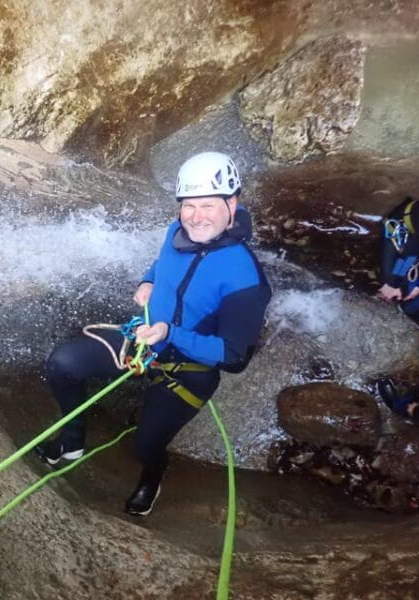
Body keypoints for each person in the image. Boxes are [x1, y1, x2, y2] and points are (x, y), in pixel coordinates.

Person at [36, 151, 272, 516]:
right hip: (144, 339)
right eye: (188, 206)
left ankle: (153, 473)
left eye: (207, 205)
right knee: (63, 363)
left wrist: (171, 332)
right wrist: (149, 280)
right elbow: (166, 260)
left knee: (145, 445)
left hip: (189, 368)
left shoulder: (245, 277)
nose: (196, 216)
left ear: (232, 204)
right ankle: (71, 441)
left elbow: (233, 356)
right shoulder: (177, 232)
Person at [376, 196, 419, 326]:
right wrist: (398, 286)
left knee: (408, 297)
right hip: (402, 230)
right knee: (391, 282)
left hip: (414, 244)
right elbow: (409, 254)